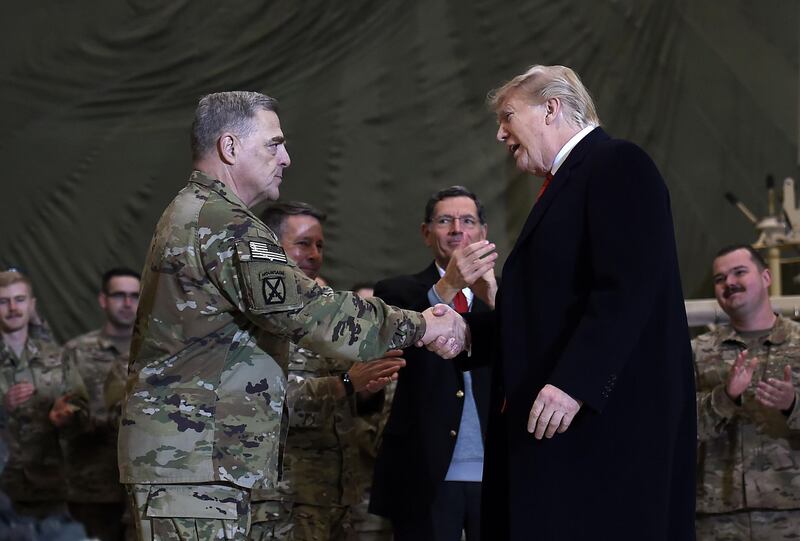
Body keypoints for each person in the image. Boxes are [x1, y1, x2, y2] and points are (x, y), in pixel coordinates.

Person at [118, 90, 464, 540]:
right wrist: (422, 324)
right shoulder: (225, 223)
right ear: (229, 147)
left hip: (192, 459)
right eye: (273, 144)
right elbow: (305, 310)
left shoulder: (197, 212)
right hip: (195, 462)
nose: (286, 157)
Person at [429, 65, 696, 540]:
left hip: (602, 437)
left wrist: (575, 382)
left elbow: (628, 288)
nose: (500, 133)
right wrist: (468, 334)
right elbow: (547, 315)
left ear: (551, 108)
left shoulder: (617, 163)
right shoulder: (570, 180)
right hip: (559, 436)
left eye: (508, 116)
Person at [248, 201, 404, 540]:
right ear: (272, 246)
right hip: (281, 499)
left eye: (320, 245)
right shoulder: (253, 314)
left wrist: (365, 391)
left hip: (336, 495)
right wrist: (346, 383)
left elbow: (349, 402)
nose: (315, 254)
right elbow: (263, 403)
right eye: (303, 243)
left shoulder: (325, 314)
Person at [369, 186, 495, 540]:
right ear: (427, 233)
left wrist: (498, 298)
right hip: (424, 472)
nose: (457, 228)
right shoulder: (396, 292)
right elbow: (394, 339)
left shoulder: (506, 296)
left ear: (483, 233)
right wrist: (448, 286)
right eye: (445, 220)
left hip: (496, 473)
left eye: (467, 220)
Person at [694, 245, 800, 540]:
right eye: (720, 278)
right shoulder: (696, 352)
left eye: (739, 272)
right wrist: (723, 398)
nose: (729, 282)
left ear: (766, 277)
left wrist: (793, 404)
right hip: (717, 519)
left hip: (793, 515)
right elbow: (674, 427)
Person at [50, 267, 141, 541]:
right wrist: (60, 418)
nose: (128, 303)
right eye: (119, 295)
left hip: (142, 492)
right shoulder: (75, 352)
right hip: (92, 490)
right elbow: (60, 414)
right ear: (103, 300)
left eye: (135, 296)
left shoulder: (158, 351)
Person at [0, 271, 66, 520]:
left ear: (32, 305)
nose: (13, 308)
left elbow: (82, 409)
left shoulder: (57, 357)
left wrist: (68, 414)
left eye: (19, 299)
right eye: (3, 301)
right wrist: (2, 406)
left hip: (50, 489)